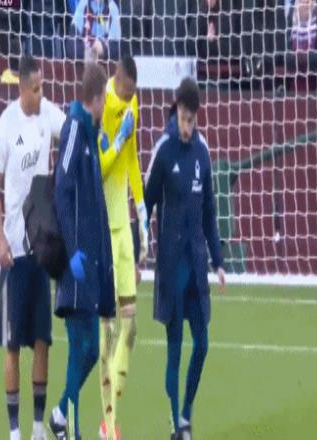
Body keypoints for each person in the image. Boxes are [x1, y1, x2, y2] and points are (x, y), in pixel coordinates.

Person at [0, 55, 66, 440]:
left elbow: (71, 132)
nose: (41, 94)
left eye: (42, 87)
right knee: (12, 346)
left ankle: (38, 427)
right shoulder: (7, 124)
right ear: (22, 88)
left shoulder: (48, 114)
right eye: (35, 89)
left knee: (42, 341)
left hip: (42, 248)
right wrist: (0, 236)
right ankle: (15, 431)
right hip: (14, 251)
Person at [144, 78, 226, 440]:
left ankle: (187, 413)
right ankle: (175, 423)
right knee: (175, 348)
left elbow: (209, 210)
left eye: (192, 120)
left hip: (196, 264)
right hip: (170, 265)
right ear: (175, 110)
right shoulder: (163, 150)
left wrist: (218, 260)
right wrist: (140, 245)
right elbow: (145, 202)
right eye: (183, 118)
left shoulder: (202, 151)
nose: (187, 126)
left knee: (202, 344)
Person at [49, 62, 116, 440]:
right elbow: (61, 188)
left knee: (91, 350)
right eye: (105, 98)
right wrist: (73, 250)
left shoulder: (90, 133)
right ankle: (69, 430)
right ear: (97, 98)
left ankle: (61, 415)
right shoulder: (74, 128)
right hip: (76, 264)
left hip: (90, 263)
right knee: (80, 348)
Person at [96, 55, 147, 440]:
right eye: (127, 93)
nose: (130, 99)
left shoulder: (133, 104)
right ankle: (109, 425)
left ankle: (111, 413)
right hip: (102, 229)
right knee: (108, 329)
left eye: (133, 95)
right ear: (117, 78)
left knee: (130, 326)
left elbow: (130, 160)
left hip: (124, 227)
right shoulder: (102, 105)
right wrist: (116, 139)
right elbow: (102, 167)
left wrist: (141, 210)